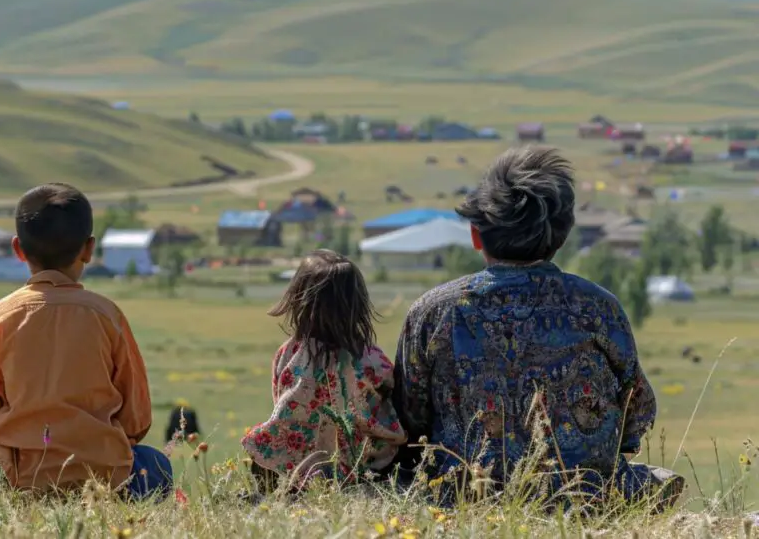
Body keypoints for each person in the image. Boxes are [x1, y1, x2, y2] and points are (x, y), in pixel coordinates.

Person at [392, 146, 682, 510]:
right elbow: (637, 412)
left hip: (462, 500)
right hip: (582, 500)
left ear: (475, 235)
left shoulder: (432, 312)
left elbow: (408, 419)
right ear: (561, 235)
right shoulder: (598, 308)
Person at [0, 183, 171, 499]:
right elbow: (136, 418)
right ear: (88, 249)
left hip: (16, 476)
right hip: (105, 477)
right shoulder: (107, 314)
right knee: (156, 463)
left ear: (18, 249)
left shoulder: (1, 315)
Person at [242, 250, 406, 490]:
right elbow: (391, 398)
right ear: (357, 305)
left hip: (299, 466)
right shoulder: (371, 358)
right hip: (363, 464)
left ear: (299, 300)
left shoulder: (288, 355)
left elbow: (279, 403)